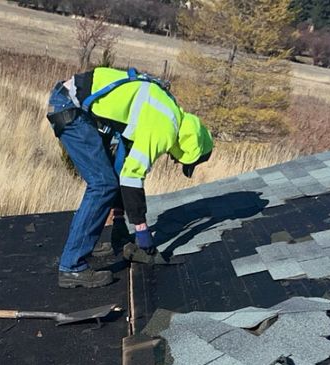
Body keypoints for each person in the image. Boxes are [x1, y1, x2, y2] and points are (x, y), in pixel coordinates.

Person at [46, 67, 214, 288]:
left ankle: (97, 241)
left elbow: (122, 161)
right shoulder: (164, 130)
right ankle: (72, 267)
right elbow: (132, 177)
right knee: (102, 185)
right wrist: (142, 234)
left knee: (107, 181)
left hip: (70, 100)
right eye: (182, 162)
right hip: (70, 108)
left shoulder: (169, 110)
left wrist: (119, 224)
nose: (175, 162)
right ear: (188, 150)